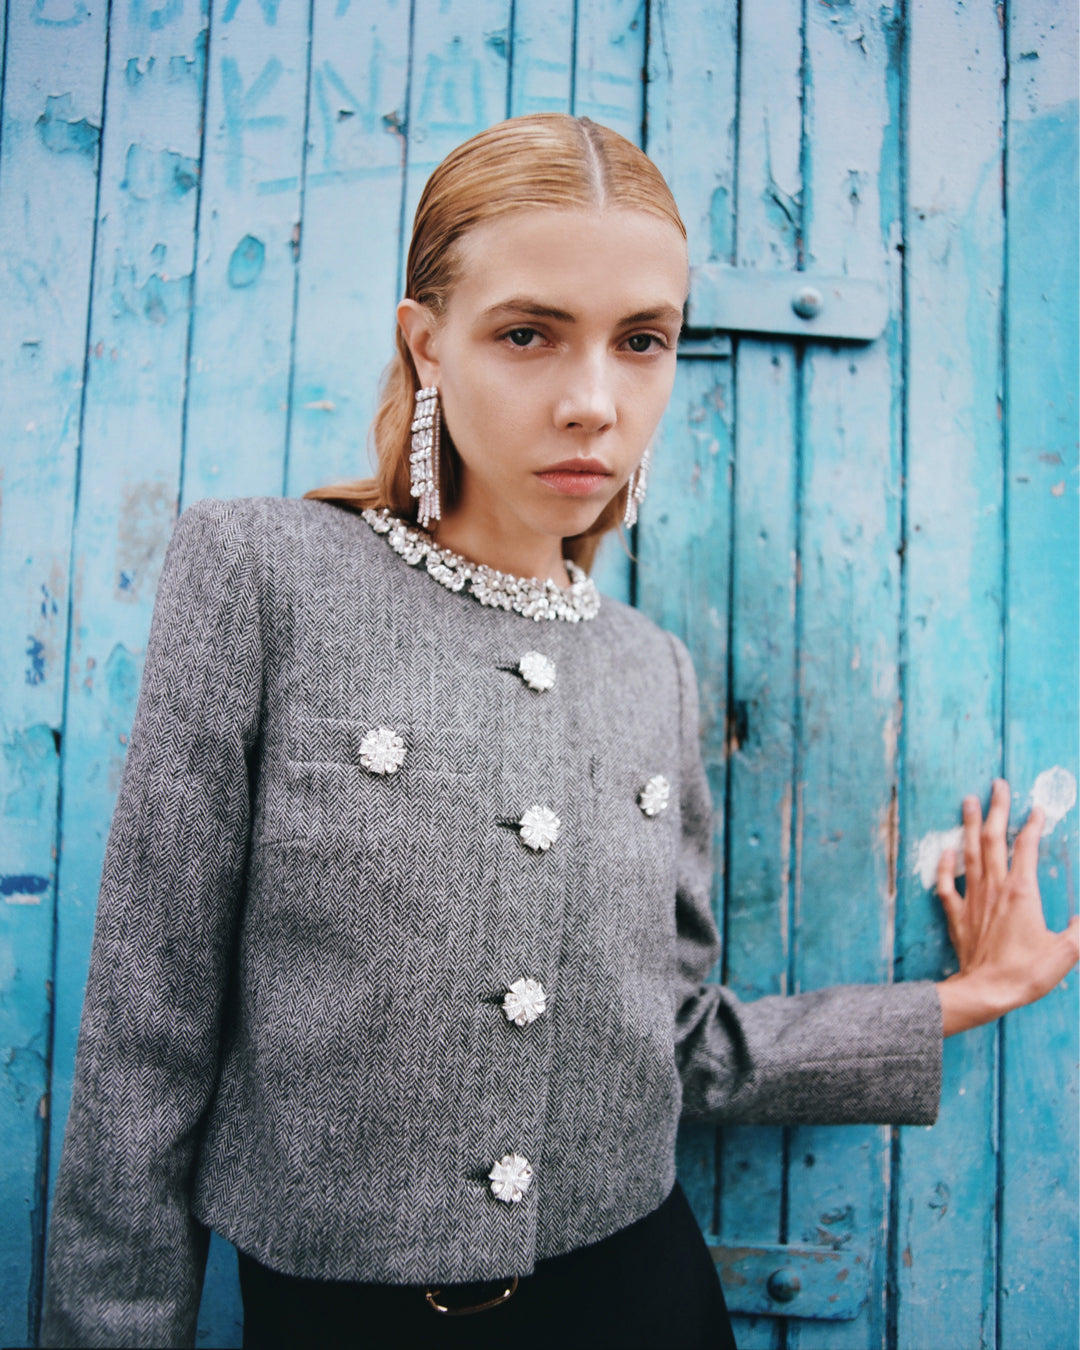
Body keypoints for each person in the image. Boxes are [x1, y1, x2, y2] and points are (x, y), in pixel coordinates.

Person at [41, 114, 1079, 1350]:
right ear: (427, 344)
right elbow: (145, 1044)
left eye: (642, 341)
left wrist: (964, 997)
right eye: (528, 334)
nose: (594, 402)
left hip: (644, 1301)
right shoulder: (262, 576)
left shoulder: (653, 669)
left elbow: (679, 1041)